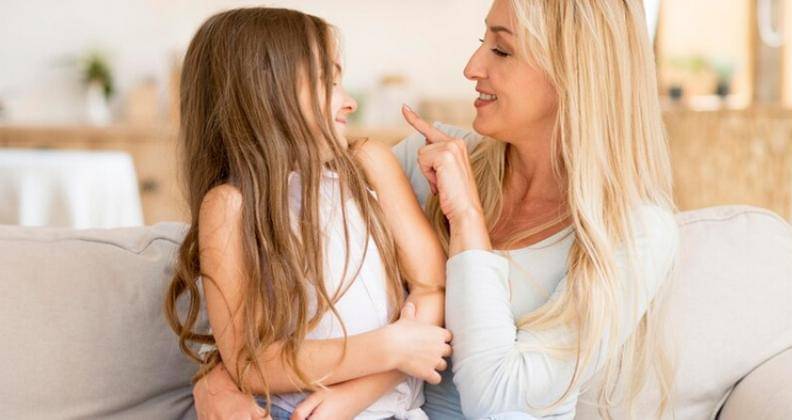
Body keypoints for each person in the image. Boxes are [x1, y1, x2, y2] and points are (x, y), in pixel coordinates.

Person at [195, 0, 680, 418]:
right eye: (482, 42)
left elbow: (496, 397)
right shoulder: (425, 159)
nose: (471, 67)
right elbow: (276, 281)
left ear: (574, 73)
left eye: (501, 50)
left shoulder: (634, 231)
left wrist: (467, 220)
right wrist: (218, 379)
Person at [163, 8, 453, 420]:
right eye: (328, 82)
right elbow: (250, 362)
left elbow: (432, 287)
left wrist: (358, 393)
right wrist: (388, 348)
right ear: (267, 93)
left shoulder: (369, 164)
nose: (349, 101)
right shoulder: (230, 206)